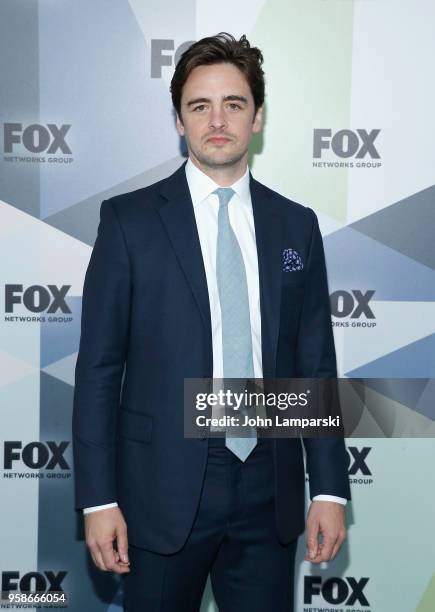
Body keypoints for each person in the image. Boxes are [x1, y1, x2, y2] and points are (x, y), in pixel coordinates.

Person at [72, 32, 351, 612]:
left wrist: (327, 487)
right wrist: (98, 500)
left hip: (268, 486)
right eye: (200, 106)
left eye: (234, 104)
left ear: (258, 117)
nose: (217, 120)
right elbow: (99, 371)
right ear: (179, 120)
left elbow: (313, 363)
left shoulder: (295, 225)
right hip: (159, 488)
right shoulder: (129, 222)